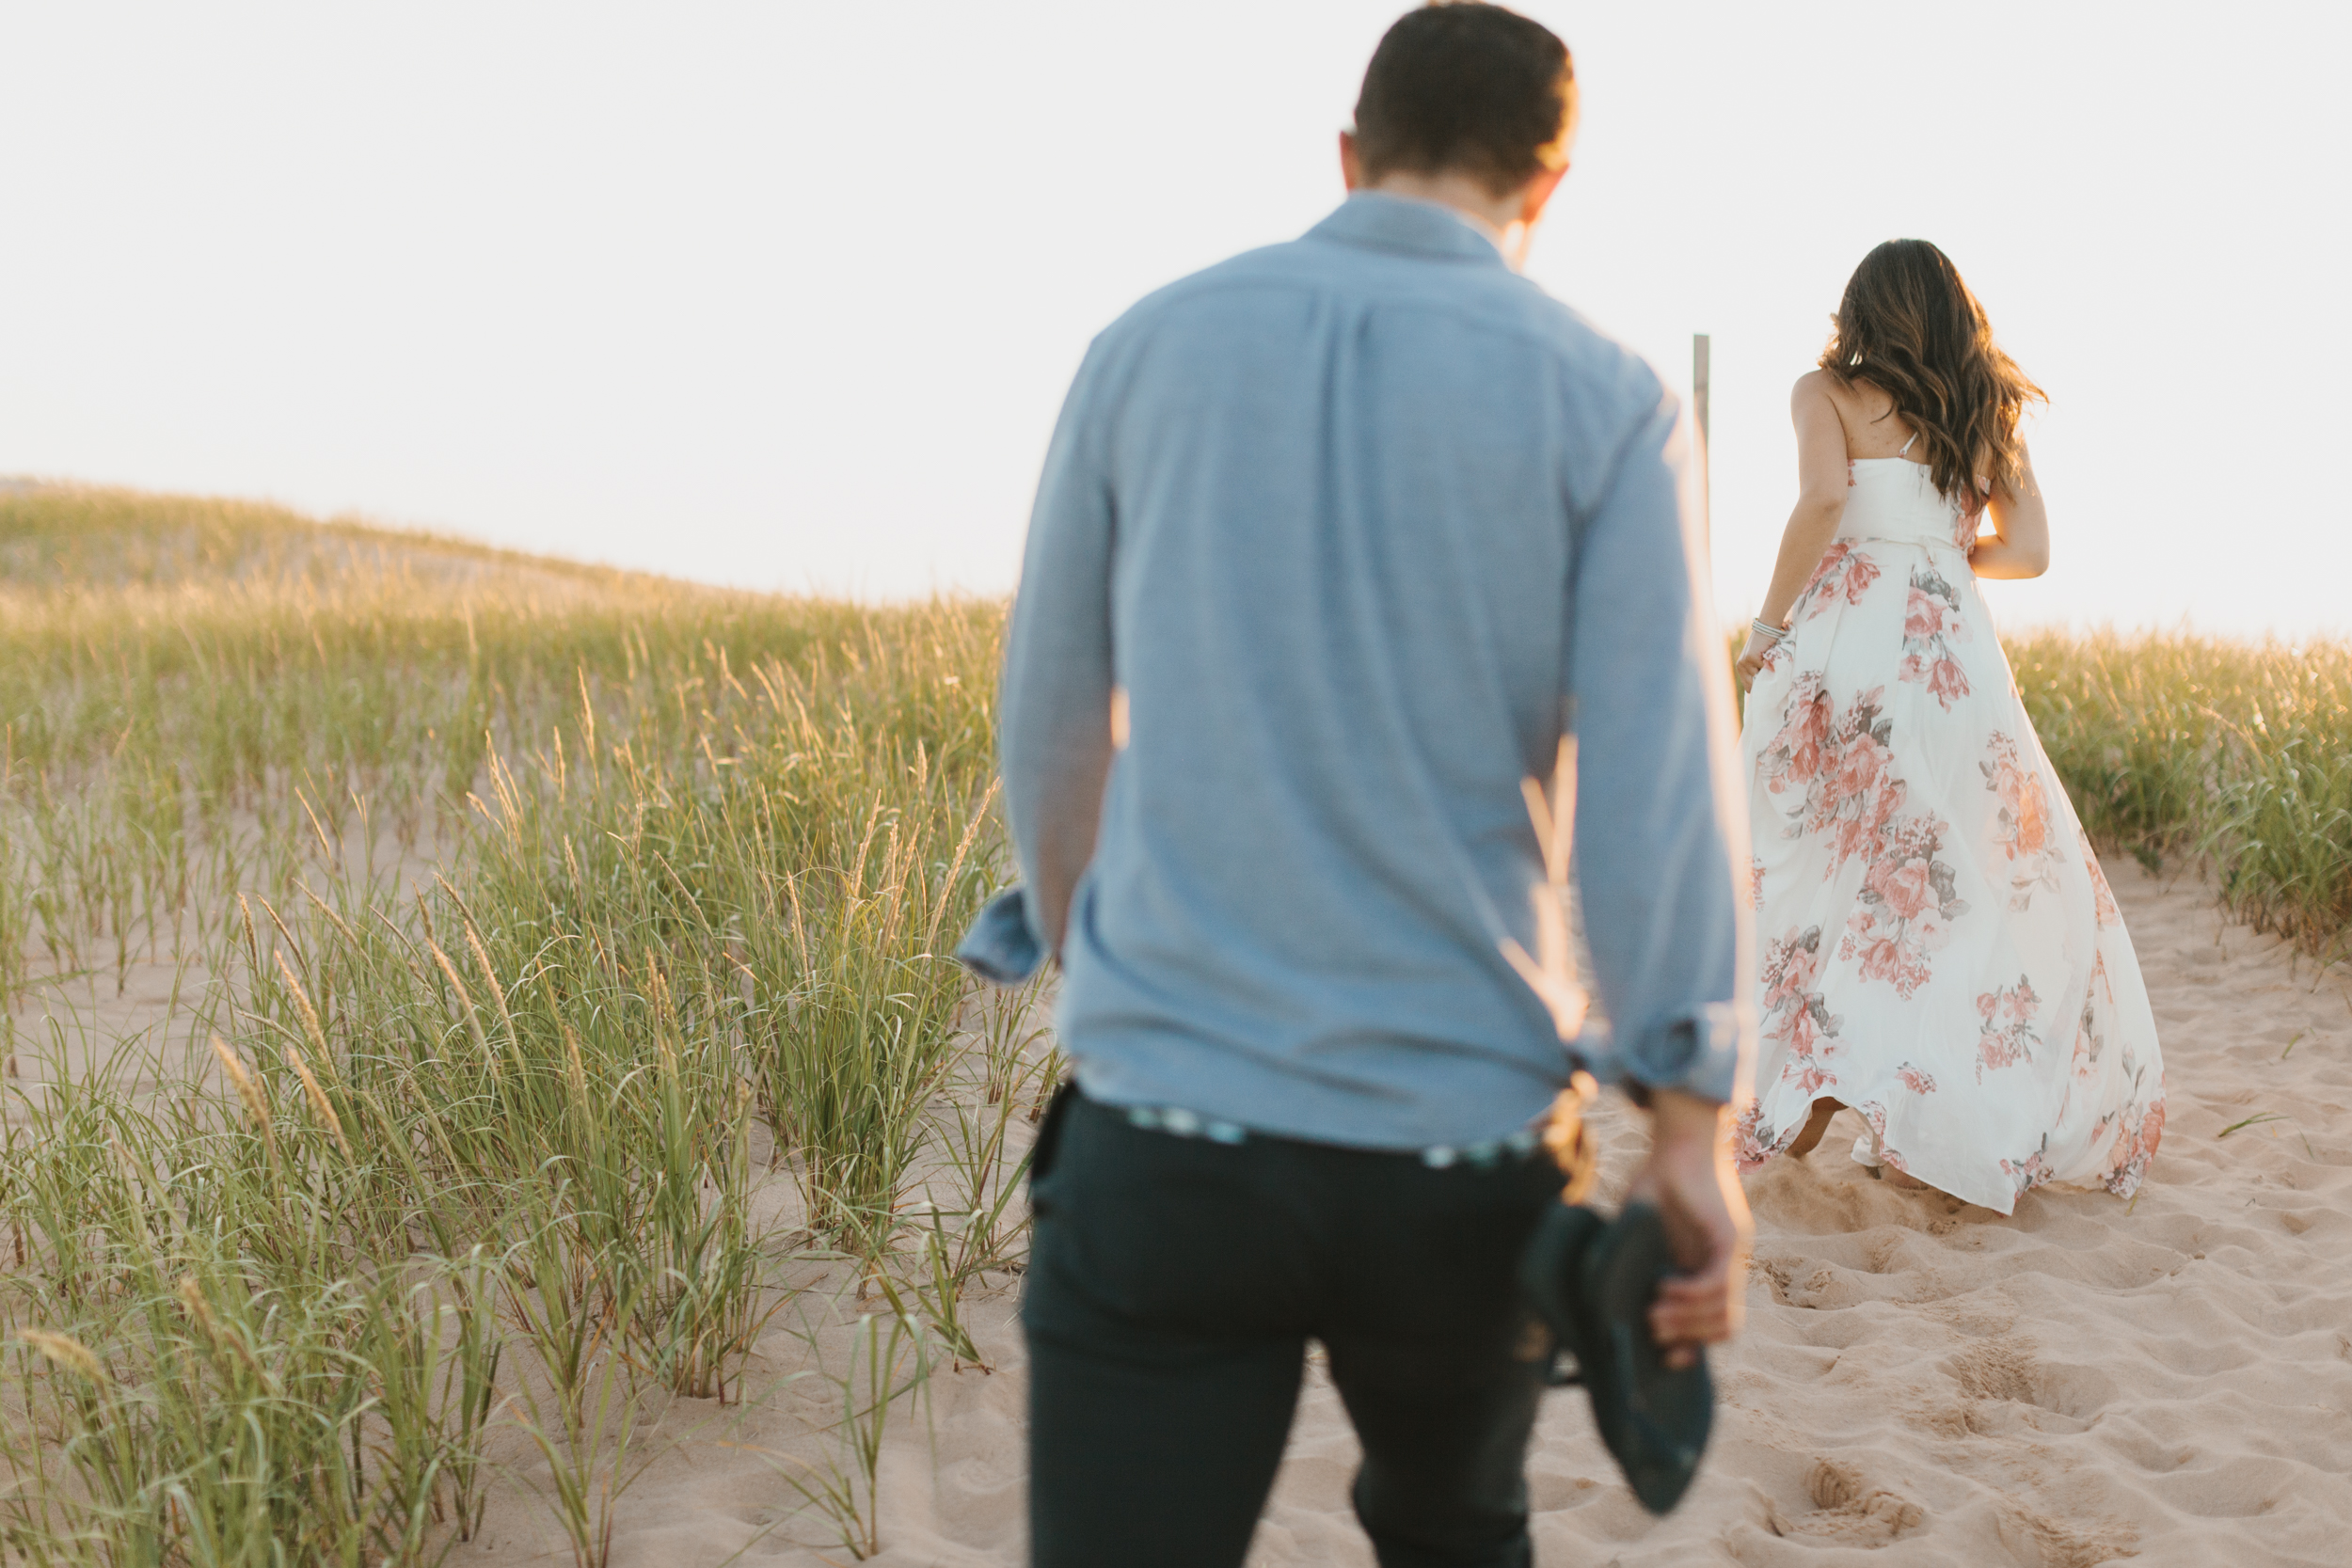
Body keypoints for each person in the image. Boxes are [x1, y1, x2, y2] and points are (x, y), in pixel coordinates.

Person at [996, 7, 1756, 1565]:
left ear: (1347, 154)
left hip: (1169, 1130)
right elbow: (1656, 794)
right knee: (1456, 1533)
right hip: (1460, 1156)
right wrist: (1689, 1127)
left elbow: (1055, 711)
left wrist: (1093, 949)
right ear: (1547, 190)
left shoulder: (1144, 346)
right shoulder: (1610, 401)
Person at [1731, 240, 2165, 1212]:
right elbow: (2030, 549)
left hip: (1848, 643)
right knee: (1939, 874)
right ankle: (1899, 1092)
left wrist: (1767, 625)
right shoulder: (1984, 410)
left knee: (1824, 856)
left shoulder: (1824, 392)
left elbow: (1822, 498)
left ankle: (1816, 1080)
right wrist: (1938, 544)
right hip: (1948, 654)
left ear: (1860, 310)